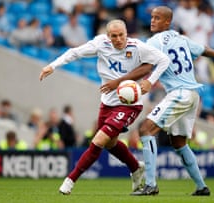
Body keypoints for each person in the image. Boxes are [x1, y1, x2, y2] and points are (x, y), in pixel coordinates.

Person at [39, 19, 170, 195]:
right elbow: (74, 53)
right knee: (110, 144)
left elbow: (163, 60)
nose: (118, 39)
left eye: (121, 35)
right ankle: (135, 167)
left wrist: (150, 81)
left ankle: (70, 180)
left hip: (129, 104)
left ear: (126, 33)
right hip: (107, 103)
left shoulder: (137, 46)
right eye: (114, 36)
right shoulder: (100, 44)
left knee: (98, 141)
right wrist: (52, 66)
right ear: (108, 36)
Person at [130, 6, 214, 196]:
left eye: (157, 18)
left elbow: (146, 67)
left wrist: (127, 79)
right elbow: (203, 49)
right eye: (152, 17)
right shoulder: (181, 38)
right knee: (178, 142)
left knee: (145, 130)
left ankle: (151, 184)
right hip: (193, 95)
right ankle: (202, 187)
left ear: (167, 22)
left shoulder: (155, 41)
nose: (152, 21)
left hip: (180, 93)